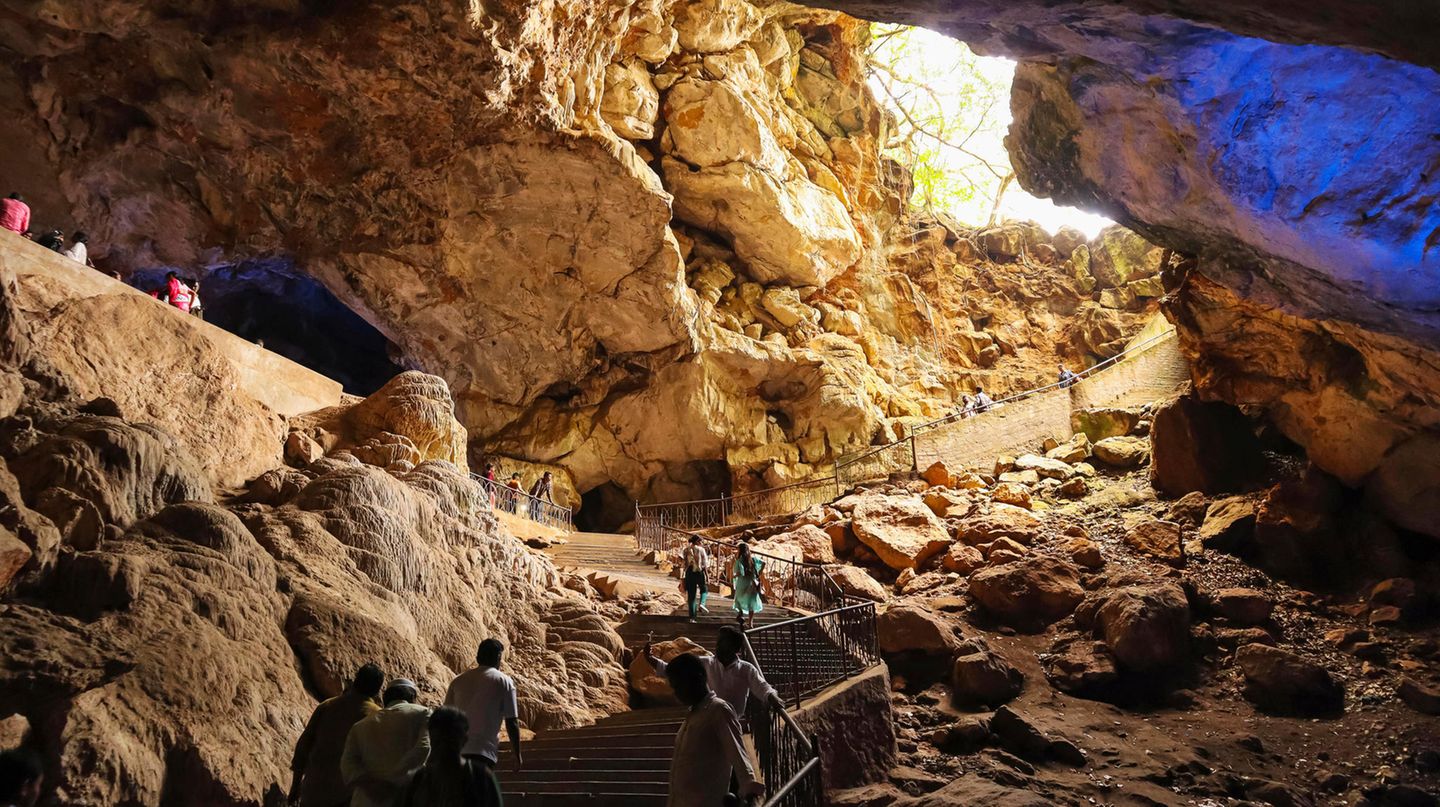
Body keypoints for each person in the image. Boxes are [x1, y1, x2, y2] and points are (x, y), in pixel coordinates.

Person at [664, 653, 764, 807]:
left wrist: (749, 787)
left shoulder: (718, 710)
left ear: (697, 678)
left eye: (678, 685)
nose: (675, 693)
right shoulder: (693, 715)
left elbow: (738, 754)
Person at [290, 663, 386, 807]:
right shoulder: (378, 717)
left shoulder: (327, 706)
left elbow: (303, 747)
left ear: (355, 680)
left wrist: (295, 785)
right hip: (346, 795)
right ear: (377, 690)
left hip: (314, 789)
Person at [644, 626, 778, 719]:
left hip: (735, 720)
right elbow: (676, 670)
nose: (718, 645)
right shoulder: (705, 662)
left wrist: (772, 697)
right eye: (718, 641)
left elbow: (762, 686)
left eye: (723, 642)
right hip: (708, 717)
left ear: (735, 648)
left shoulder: (746, 669)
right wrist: (651, 660)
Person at [341, 678, 432, 807]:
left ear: (385, 698)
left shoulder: (360, 726)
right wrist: (394, 780)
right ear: (412, 696)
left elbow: (347, 765)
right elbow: (424, 747)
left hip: (367, 800)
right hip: (404, 796)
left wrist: (372, 785)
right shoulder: (424, 713)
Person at [443, 639, 522, 783]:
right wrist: (517, 754)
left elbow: (445, 720)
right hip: (484, 751)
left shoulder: (457, 681)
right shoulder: (504, 681)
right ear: (499, 657)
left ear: (478, 657)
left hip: (457, 751)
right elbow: (512, 721)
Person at [398, 707, 502, 807]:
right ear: (465, 739)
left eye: (450, 740)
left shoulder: (416, 781)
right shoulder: (481, 778)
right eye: (440, 740)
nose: (444, 745)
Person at [731, 543, 764, 629]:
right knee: (751, 602)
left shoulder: (739, 560)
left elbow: (740, 573)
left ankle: (740, 614)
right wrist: (758, 573)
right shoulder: (752, 559)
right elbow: (763, 563)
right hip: (751, 582)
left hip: (742, 582)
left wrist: (735, 576)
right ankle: (750, 622)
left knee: (739, 598)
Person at [681, 533, 709, 619]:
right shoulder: (701, 550)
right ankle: (702, 604)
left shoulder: (685, 550)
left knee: (691, 596)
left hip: (689, 573)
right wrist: (707, 576)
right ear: (697, 541)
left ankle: (692, 618)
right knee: (704, 589)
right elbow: (704, 564)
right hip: (699, 572)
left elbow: (684, 563)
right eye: (701, 541)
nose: (702, 543)